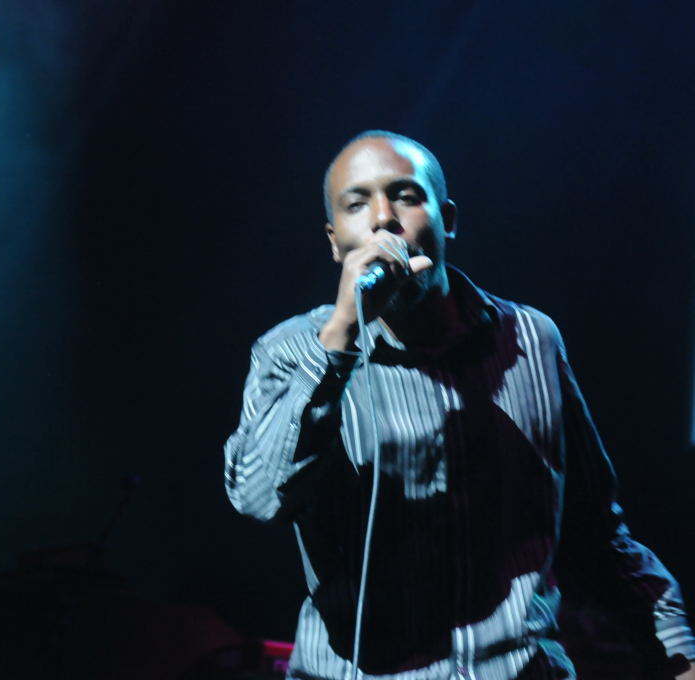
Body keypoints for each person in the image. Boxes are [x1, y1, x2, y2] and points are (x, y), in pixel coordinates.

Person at [223, 131, 695, 679]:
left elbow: (597, 533)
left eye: (405, 196)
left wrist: (680, 654)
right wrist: (342, 334)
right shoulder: (292, 351)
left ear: (447, 220)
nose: (383, 219)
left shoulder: (531, 340)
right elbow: (258, 497)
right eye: (357, 205)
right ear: (334, 242)